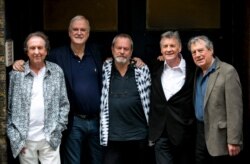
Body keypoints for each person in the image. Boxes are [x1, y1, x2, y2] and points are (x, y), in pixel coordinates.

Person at [7, 31, 70, 164]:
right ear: (26, 51)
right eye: (32, 48)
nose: (36, 52)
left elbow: (64, 104)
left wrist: (57, 130)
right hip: (25, 140)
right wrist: (15, 138)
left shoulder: (56, 71)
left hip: (50, 138)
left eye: (40, 48)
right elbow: (9, 109)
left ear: (46, 50)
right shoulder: (16, 74)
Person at [187, 35, 243, 164]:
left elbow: (235, 109)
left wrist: (234, 140)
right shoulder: (197, 73)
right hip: (200, 133)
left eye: (201, 50)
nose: (197, 55)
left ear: (211, 50)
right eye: (194, 52)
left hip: (220, 137)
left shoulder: (227, 71)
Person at [99, 33, 151, 164]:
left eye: (126, 49)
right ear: (112, 49)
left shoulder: (142, 69)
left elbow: (153, 96)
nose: (122, 52)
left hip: (139, 136)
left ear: (131, 51)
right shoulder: (104, 69)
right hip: (113, 137)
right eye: (119, 48)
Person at [148, 31, 196, 164]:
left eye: (172, 46)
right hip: (161, 133)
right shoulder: (155, 67)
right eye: (165, 46)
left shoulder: (193, 70)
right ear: (161, 49)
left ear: (179, 47)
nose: (168, 49)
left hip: (184, 135)